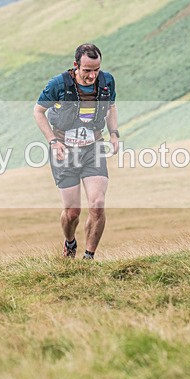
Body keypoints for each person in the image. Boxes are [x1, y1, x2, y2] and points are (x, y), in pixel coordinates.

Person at [33, 43, 119, 260]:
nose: (92, 75)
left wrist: (114, 134)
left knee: (97, 205)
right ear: (76, 65)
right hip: (64, 150)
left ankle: (88, 257)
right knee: (72, 213)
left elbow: (111, 107)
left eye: (96, 70)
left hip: (93, 148)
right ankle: (70, 242)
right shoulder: (59, 84)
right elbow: (38, 111)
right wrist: (53, 141)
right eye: (87, 70)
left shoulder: (107, 81)